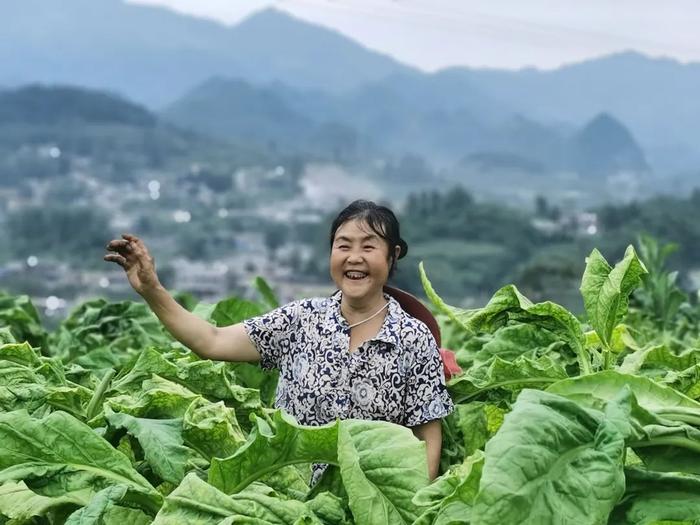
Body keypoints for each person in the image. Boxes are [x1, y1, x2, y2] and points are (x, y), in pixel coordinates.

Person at [104, 199, 454, 482]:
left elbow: (427, 435)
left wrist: (410, 508)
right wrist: (152, 289)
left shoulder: (412, 338)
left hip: (372, 507)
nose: (354, 257)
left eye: (369, 247)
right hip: (288, 502)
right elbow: (211, 341)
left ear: (392, 256)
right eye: (343, 245)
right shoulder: (300, 320)